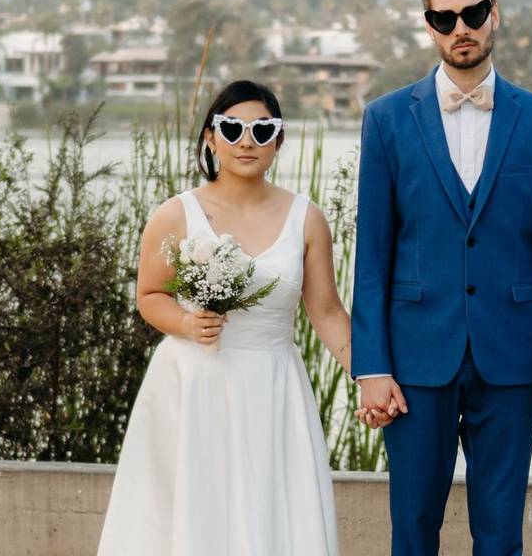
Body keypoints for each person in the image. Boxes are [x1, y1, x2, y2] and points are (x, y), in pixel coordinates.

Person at [351, 0, 532, 555]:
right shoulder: (384, 120)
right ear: (429, 27)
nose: (461, 27)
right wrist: (370, 367)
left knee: (501, 536)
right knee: (413, 531)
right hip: (415, 361)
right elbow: (371, 258)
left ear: (493, 15)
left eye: (473, 14)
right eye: (444, 17)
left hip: (513, 361)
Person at [97, 80, 349, 555]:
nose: (246, 141)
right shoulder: (174, 214)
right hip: (194, 385)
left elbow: (328, 311)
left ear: (279, 140)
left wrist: (371, 375)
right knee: (193, 514)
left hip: (273, 386)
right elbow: (149, 295)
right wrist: (188, 324)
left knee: (271, 514)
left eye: (261, 129)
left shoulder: (307, 218)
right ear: (211, 138)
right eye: (232, 128)